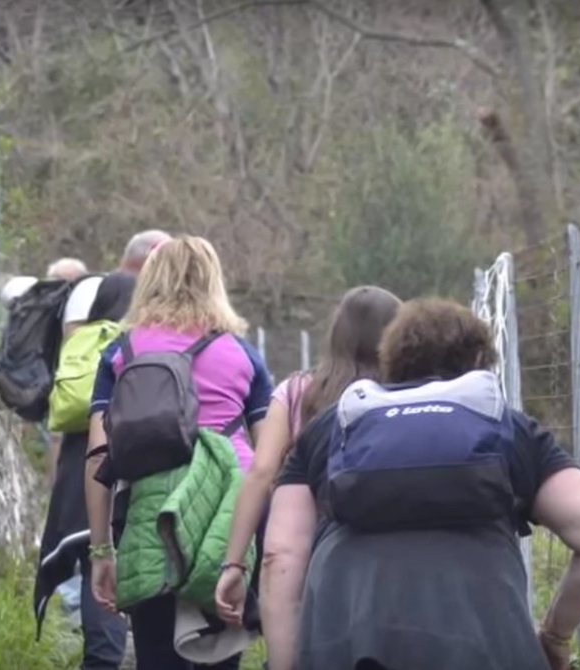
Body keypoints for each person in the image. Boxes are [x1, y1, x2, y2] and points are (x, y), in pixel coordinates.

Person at [277, 297, 580, 670]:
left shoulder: (334, 427)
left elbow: (280, 556)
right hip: (486, 641)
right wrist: (555, 635)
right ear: (479, 363)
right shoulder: (507, 427)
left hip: (347, 639)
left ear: (391, 361)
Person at [85, 236, 274, 670]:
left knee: (156, 657)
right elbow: (269, 462)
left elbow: (98, 456)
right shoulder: (244, 355)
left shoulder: (122, 351)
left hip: (152, 512)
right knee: (220, 654)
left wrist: (101, 552)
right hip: (228, 516)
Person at [214, 286, 402, 670]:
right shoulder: (406, 396)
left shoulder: (298, 392)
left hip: (306, 558)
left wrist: (234, 563)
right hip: (389, 559)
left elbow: (262, 473)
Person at [32, 231, 170, 670]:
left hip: (88, 446)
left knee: (99, 554)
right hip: (152, 448)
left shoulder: (90, 292)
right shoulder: (161, 317)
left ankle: (102, 660)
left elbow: (71, 382)